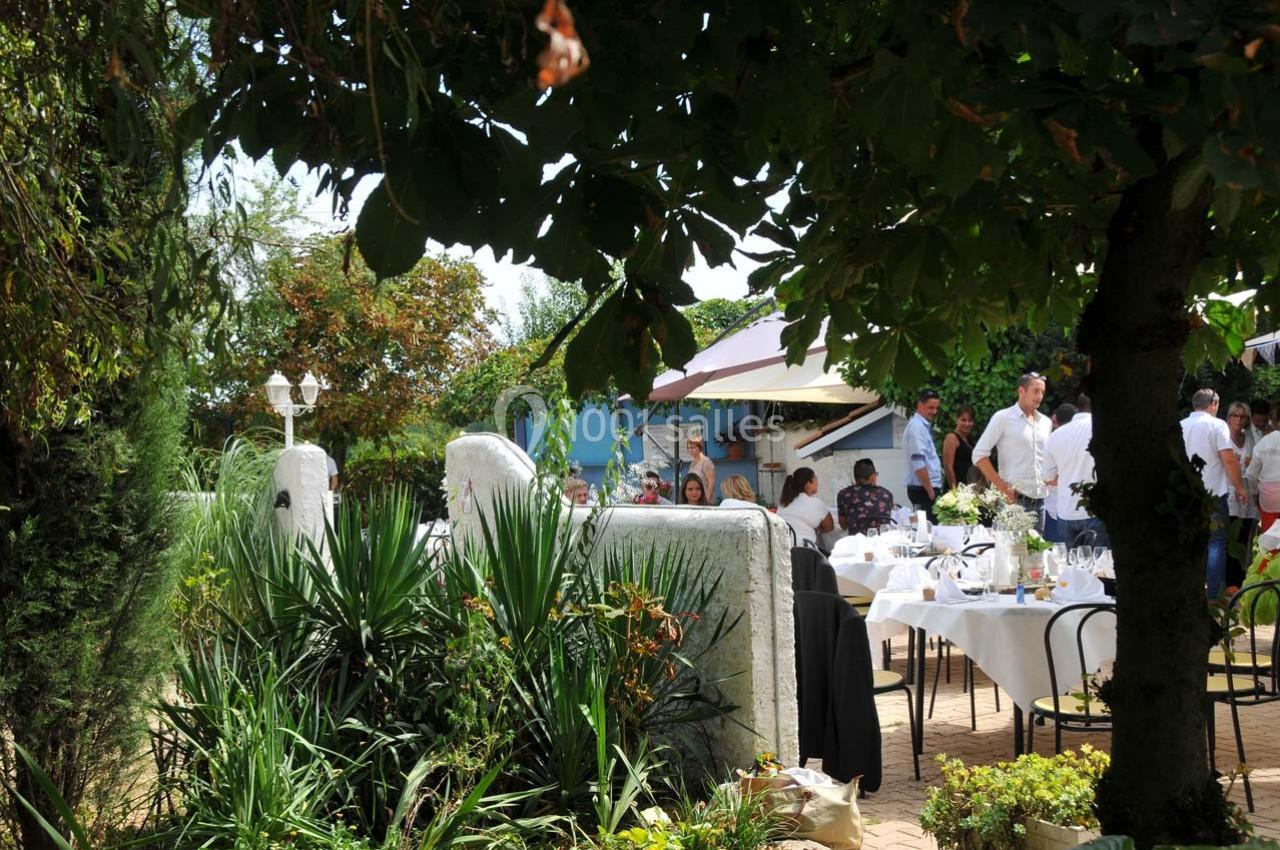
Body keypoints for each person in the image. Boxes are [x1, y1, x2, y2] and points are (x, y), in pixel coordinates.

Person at [1181, 388, 1248, 599]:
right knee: (1216, 543)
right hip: (1212, 495)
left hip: (1185, 494)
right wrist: (1239, 487)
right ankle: (1212, 598)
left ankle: (1189, 591)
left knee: (1189, 542)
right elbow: (1228, 458)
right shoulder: (1217, 425)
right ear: (1214, 404)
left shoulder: (1180, 426)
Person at [973, 373, 1053, 524]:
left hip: (1041, 501)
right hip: (1013, 500)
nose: (1040, 396)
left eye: (1042, 392)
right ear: (1021, 391)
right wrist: (1003, 488)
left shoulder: (1046, 422)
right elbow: (979, 455)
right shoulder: (1002, 417)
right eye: (1036, 391)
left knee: (1037, 548)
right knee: (1011, 547)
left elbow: (1047, 457)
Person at [1042, 394, 1108, 547]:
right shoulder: (1104, 429)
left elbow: (1047, 477)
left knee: (1072, 568)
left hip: (1066, 512)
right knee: (1098, 568)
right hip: (1096, 511)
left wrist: (1066, 475)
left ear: (1077, 408)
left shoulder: (1056, 435)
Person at [1226, 401, 1260, 591]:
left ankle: (1239, 582)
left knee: (1244, 540)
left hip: (1248, 493)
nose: (1238, 419)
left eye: (1242, 416)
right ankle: (1230, 584)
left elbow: (1256, 460)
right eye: (1235, 415)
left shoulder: (1249, 437)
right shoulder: (1223, 436)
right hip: (1230, 493)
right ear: (1229, 417)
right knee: (1230, 539)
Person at [903, 388, 943, 520]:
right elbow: (918, 462)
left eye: (936, 408)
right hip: (923, 489)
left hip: (924, 488)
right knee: (928, 531)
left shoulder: (921, 426)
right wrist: (930, 491)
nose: (934, 412)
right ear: (920, 405)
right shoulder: (917, 427)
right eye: (930, 407)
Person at [1042, 402, 1077, 543]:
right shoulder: (1080, 440)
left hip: (1055, 507)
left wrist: (1061, 477)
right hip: (1070, 507)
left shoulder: (1052, 439)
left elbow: (1046, 477)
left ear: (1056, 419)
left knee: (1056, 555)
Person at [777, 467, 835, 547]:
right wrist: (816, 529)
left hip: (783, 548)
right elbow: (829, 526)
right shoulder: (816, 504)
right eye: (815, 479)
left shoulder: (783, 503)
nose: (817, 483)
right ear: (808, 484)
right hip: (805, 550)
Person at [837, 458, 896, 535]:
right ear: (872, 477)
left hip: (857, 542)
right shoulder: (886, 494)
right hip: (882, 541)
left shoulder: (844, 494)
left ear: (855, 478)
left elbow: (843, 526)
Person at [1248, 425, 1280, 534]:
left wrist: (1254, 493)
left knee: (1271, 540)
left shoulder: (1262, 443)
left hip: (1268, 498)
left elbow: (1251, 474)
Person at [942, 406, 976, 491]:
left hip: (967, 489)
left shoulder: (969, 439)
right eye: (963, 420)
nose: (967, 424)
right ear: (957, 420)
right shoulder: (952, 438)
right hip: (956, 491)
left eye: (970, 421)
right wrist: (955, 491)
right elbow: (948, 467)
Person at [686, 436, 716, 505]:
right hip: (694, 500)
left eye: (693, 447)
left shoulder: (706, 461)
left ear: (699, 447)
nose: (690, 450)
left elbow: (711, 482)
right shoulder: (693, 463)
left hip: (704, 500)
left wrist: (707, 500)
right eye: (689, 448)